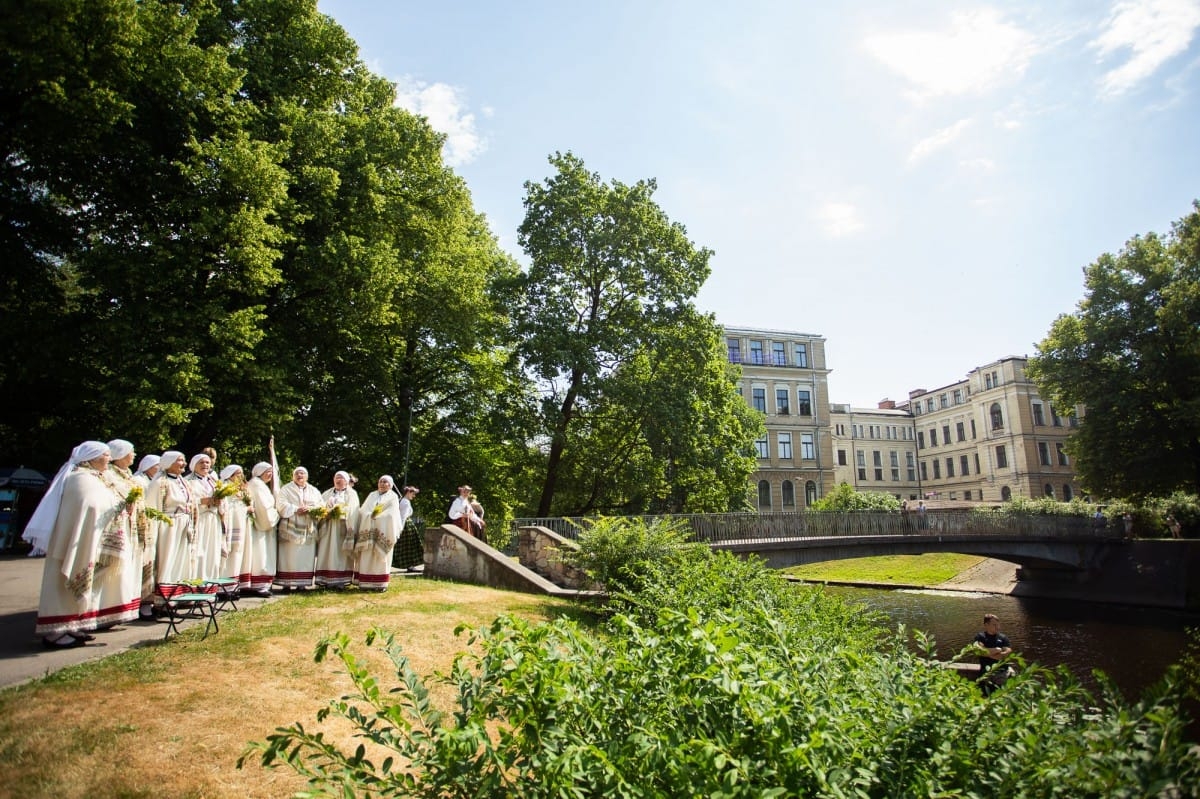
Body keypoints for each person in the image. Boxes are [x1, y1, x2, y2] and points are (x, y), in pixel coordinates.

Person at [32, 441, 136, 647]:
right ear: (94, 458)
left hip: (89, 539)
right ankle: (55, 631)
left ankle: (73, 624)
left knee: (83, 586)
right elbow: (89, 506)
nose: (109, 458)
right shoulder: (80, 478)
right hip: (74, 543)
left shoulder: (94, 478)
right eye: (106, 455)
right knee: (62, 587)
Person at [94, 439, 144, 628]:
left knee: (123, 571)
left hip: (128, 526)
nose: (134, 455)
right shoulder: (109, 476)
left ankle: (115, 609)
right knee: (110, 570)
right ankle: (101, 611)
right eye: (132, 452)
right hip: (113, 530)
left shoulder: (128, 475)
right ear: (122, 454)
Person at [148, 450, 196, 586]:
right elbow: (152, 508)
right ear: (169, 463)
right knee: (169, 558)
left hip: (184, 524)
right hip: (169, 527)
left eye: (184, 460)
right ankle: (165, 594)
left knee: (183, 559)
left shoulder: (183, 482)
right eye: (180, 460)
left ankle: (181, 590)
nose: (184, 463)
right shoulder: (159, 483)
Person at [275, 466, 322, 590]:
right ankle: (287, 583)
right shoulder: (285, 489)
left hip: (307, 527)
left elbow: (321, 505)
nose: (300, 475)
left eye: (302, 473)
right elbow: (280, 504)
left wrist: (311, 509)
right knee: (289, 554)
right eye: (297, 473)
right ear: (293, 476)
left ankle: (302, 584)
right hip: (290, 526)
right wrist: (296, 509)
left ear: (307, 476)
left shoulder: (314, 490)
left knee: (305, 555)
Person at [353, 475, 401, 591]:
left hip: (383, 530)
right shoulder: (372, 495)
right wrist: (370, 515)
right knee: (367, 556)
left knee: (380, 559)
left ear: (390, 485)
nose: (382, 484)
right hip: (368, 528)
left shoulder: (393, 496)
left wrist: (378, 517)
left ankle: (380, 584)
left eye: (385, 482)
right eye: (380, 481)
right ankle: (364, 582)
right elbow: (363, 510)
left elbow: (392, 514)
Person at [315, 470, 360, 589]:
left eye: (341, 478)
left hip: (342, 527)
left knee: (340, 553)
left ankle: (341, 580)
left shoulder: (352, 494)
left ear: (346, 481)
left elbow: (353, 510)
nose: (338, 480)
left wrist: (341, 512)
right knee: (326, 551)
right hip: (328, 526)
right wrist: (326, 511)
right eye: (336, 478)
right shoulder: (327, 493)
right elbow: (319, 506)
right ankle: (325, 579)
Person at [243, 461, 280, 595]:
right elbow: (264, 508)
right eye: (267, 472)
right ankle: (259, 585)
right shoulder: (257, 485)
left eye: (271, 471)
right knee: (260, 554)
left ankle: (260, 584)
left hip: (261, 527)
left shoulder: (259, 485)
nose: (270, 474)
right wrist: (277, 513)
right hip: (261, 527)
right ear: (260, 472)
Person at [132, 453, 161, 618]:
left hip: (153, 527)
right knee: (144, 566)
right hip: (142, 528)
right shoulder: (139, 482)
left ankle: (150, 601)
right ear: (148, 467)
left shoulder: (153, 481)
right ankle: (143, 604)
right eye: (157, 466)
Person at [186, 452, 221, 581]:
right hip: (199, 520)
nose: (205, 465)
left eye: (207, 462)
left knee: (212, 552)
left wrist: (220, 503)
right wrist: (201, 501)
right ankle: (196, 583)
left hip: (213, 520)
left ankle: (210, 586)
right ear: (194, 465)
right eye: (201, 462)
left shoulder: (214, 481)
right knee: (198, 552)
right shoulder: (188, 481)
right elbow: (185, 500)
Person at [218, 464, 249, 580]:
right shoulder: (225, 486)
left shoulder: (239, 487)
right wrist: (246, 509)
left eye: (241, 473)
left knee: (237, 551)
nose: (240, 476)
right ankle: (224, 582)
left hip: (240, 522)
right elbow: (227, 506)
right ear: (230, 475)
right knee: (229, 551)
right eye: (238, 473)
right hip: (231, 522)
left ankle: (233, 583)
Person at [973, 613, 1013, 695]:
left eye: (998, 625)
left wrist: (988, 653)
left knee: (1001, 695)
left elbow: (1007, 653)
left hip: (1001, 673)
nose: (997, 627)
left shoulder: (1003, 638)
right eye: (994, 625)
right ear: (986, 625)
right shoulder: (980, 637)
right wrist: (996, 650)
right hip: (986, 673)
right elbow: (979, 651)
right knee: (984, 695)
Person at [393, 485, 422, 570]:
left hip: (406, 525)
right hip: (406, 526)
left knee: (407, 547)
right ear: (408, 492)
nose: (414, 496)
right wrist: (400, 528)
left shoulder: (403, 501)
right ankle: (410, 565)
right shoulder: (405, 502)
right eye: (413, 494)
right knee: (409, 546)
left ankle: (410, 565)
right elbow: (403, 517)